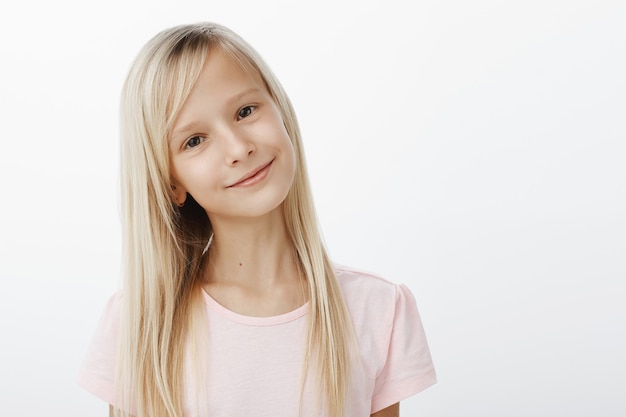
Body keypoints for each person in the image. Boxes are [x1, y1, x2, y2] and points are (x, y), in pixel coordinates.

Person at [78, 22, 436, 417]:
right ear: (171, 184)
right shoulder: (137, 324)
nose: (238, 148)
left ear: (281, 110)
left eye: (245, 111)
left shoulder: (379, 309)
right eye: (194, 140)